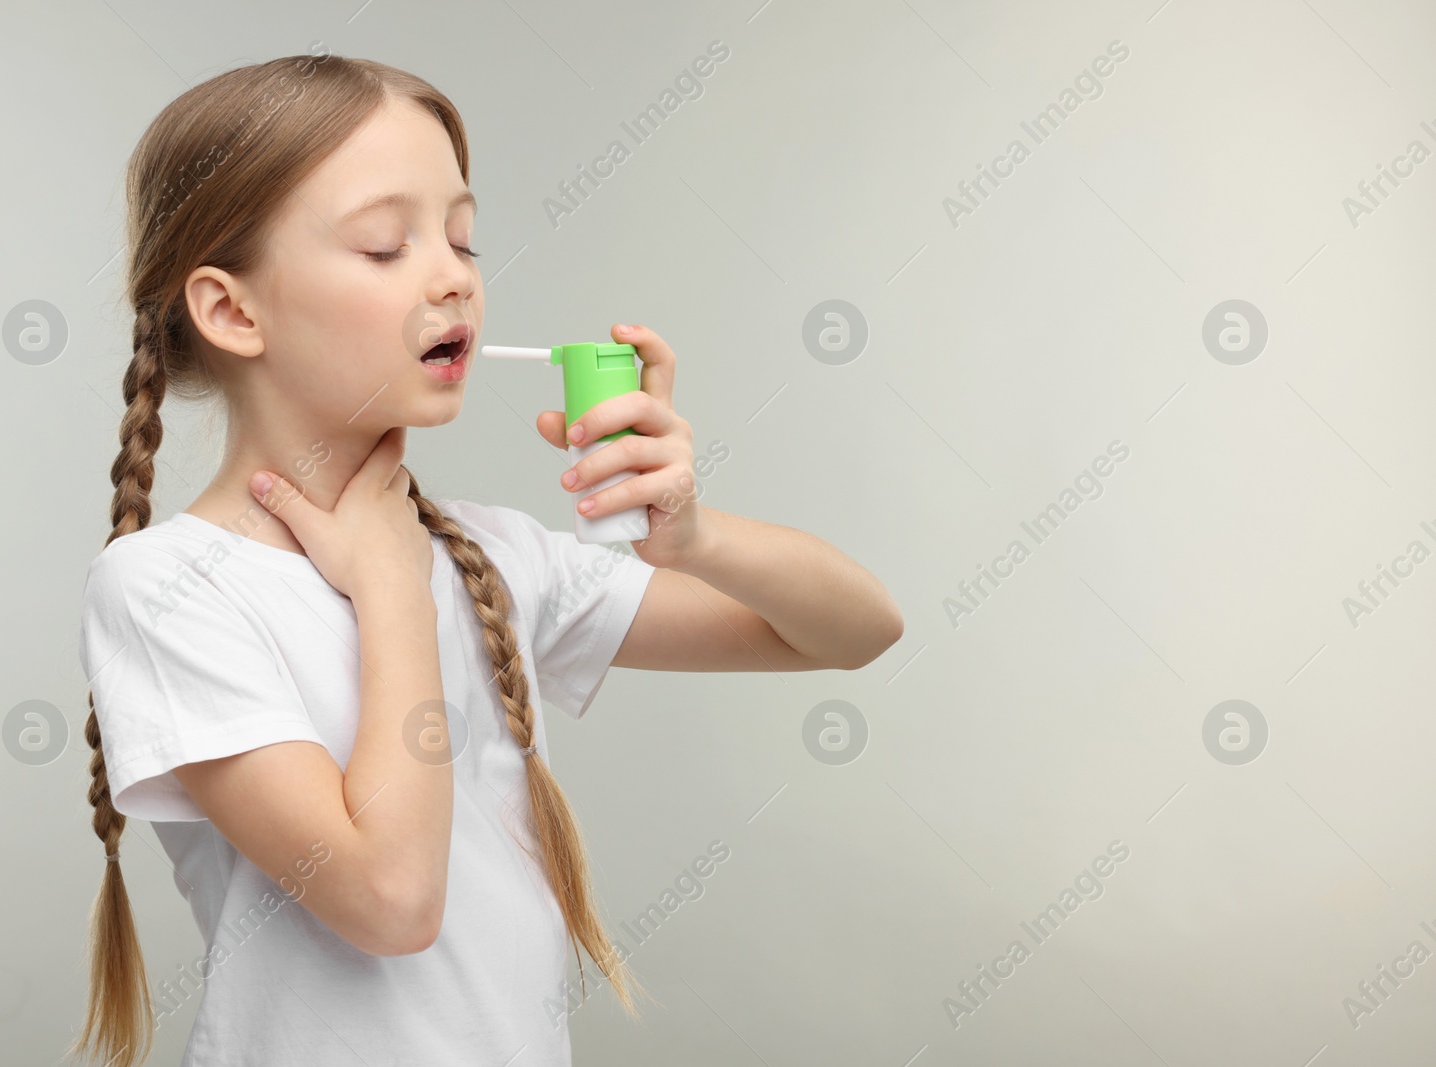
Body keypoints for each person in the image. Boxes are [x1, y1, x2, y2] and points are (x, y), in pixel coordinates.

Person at [69, 49, 903, 1067]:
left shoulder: (491, 554)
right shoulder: (167, 588)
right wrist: (389, 590)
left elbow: (854, 629)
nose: (454, 274)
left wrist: (693, 535)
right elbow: (388, 896)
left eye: (462, 236)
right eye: (385, 245)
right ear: (234, 310)